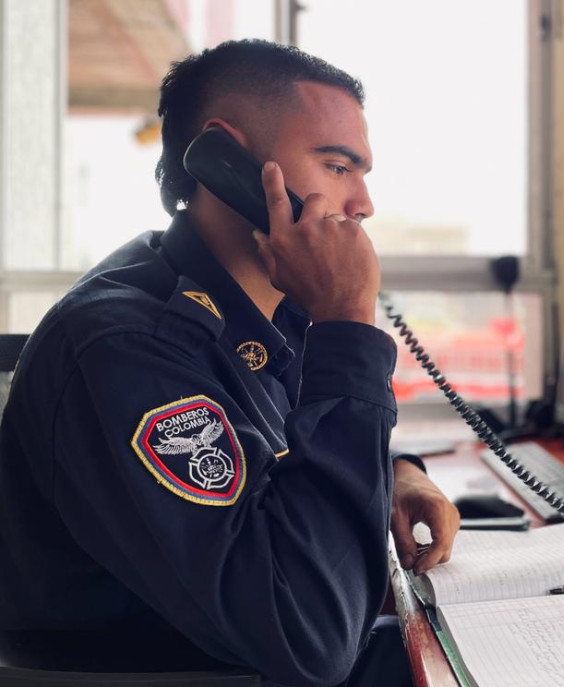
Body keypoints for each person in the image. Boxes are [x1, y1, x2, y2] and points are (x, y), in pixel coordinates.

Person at [0, 39, 460, 687]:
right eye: (336, 166)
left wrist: (397, 472)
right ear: (227, 160)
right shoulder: (127, 344)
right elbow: (310, 637)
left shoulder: (266, 310)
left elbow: (281, 460)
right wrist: (349, 323)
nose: (362, 204)